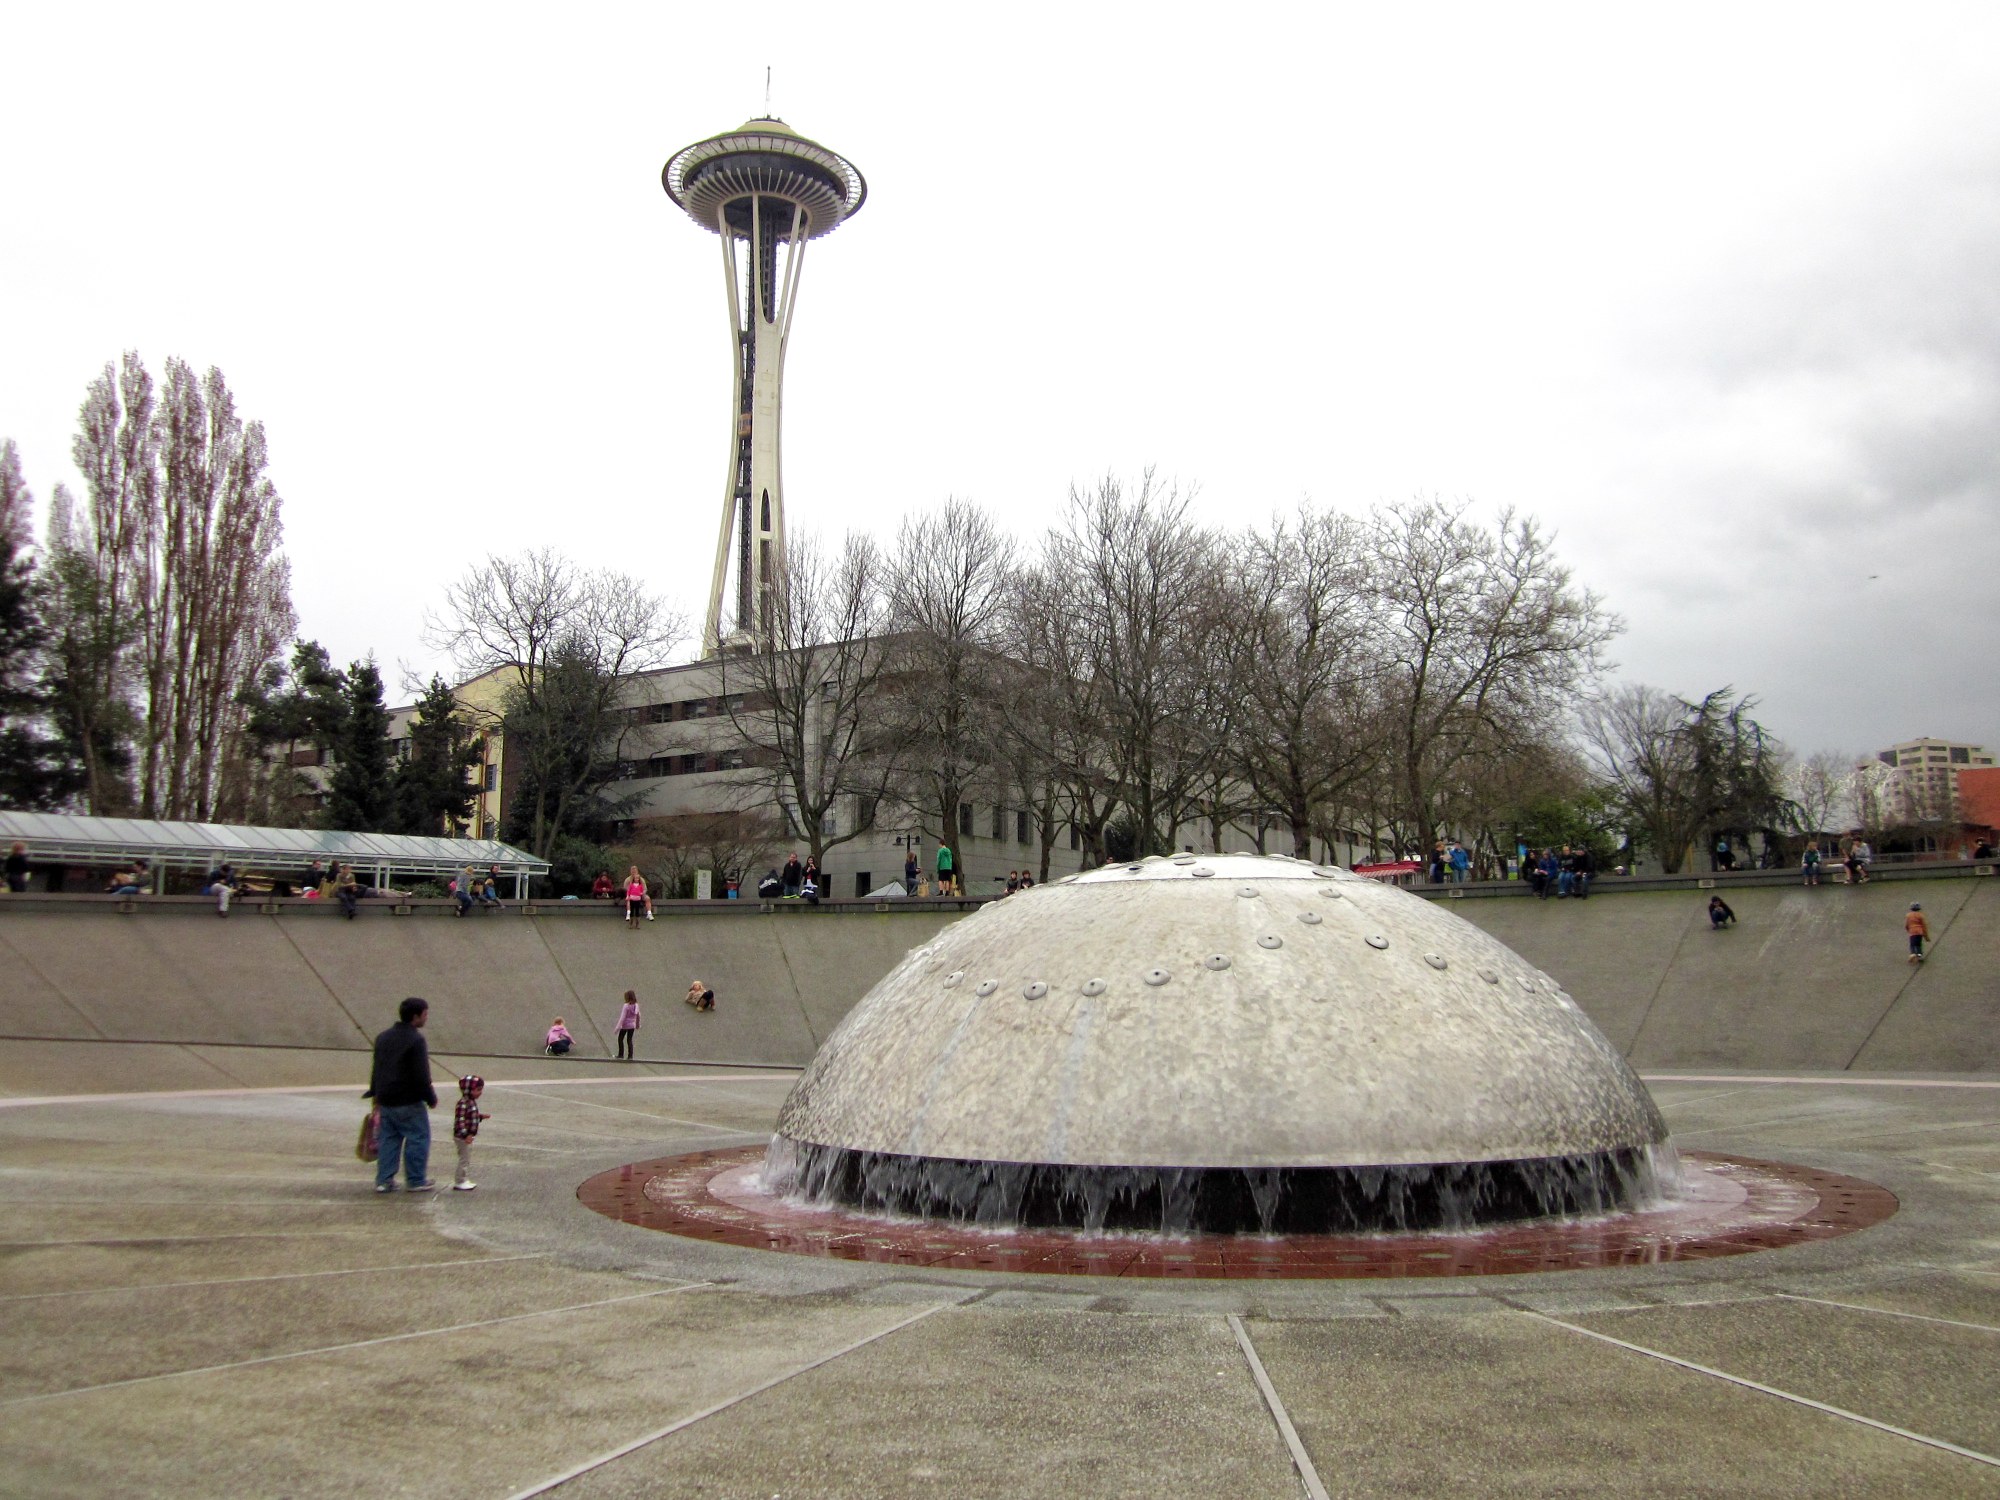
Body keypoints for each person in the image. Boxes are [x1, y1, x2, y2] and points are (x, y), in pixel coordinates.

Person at [366, 998, 438, 1193]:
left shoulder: (383, 1037)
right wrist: (430, 1097)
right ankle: (415, 1180)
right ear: (416, 1017)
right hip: (409, 1100)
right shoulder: (416, 1040)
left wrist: (375, 1094)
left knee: (388, 1139)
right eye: (425, 1014)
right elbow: (421, 1075)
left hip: (386, 1099)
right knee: (418, 1138)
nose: (426, 1017)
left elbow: (377, 1068)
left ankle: (384, 1180)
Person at [452, 1075, 488, 1191]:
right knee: (464, 1159)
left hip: (467, 1136)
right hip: (463, 1137)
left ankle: (463, 1179)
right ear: (468, 1090)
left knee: (466, 1158)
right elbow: (460, 1121)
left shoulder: (470, 1102)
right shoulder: (463, 1103)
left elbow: (471, 1116)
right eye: (478, 1090)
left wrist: (480, 1116)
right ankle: (460, 1181)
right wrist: (466, 1135)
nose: (480, 1092)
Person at [615, 989, 640, 1060]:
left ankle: (621, 1055)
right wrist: (637, 1025)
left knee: (620, 1039)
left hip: (625, 1025)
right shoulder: (636, 1006)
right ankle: (630, 1056)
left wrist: (617, 1028)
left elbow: (622, 1017)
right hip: (632, 1026)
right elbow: (638, 1016)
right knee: (629, 1040)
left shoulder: (626, 1006)